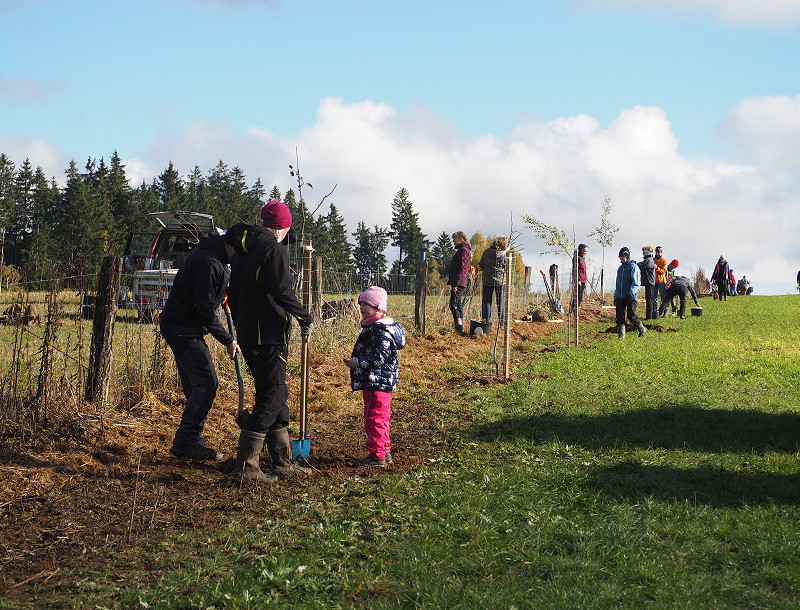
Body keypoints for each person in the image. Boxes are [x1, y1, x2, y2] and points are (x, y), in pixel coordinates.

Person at [223, 200, 314, 483]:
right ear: (282, 227)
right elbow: (282, 292)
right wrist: (304, 317)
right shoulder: (273, 250)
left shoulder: (240, 252)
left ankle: (282, 461)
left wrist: (241, 328)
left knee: (274, 393)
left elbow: (233, 295)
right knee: (273, 394)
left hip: (249, 334)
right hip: (270, 335)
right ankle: (248, 466)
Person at [159, 231, 240, 460]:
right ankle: (186, 441)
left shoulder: (213, 255)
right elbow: (205, 312)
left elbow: (210, 290)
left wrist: (224, 290)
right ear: (229, 245)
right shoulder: (210, 262)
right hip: (183, 327)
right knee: (206, 383)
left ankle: (191, 439)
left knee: (196, 386)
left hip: (179, 324)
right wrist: (228, 339)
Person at [344, 286, 407, 467]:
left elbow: (381, 356)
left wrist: (357, 362)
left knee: (374, 418)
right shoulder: (380, 326)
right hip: (380, 381)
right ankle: (384, 451)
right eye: (360, 304)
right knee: (381, 417)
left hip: (375, 381)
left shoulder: (379, 329)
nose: (361, 307)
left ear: (378, 308)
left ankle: (377, 455)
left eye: (365, 304)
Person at [614, 247, 646, 339]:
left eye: (622, 256)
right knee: (619, 316)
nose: (620, 258)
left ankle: (642, 329)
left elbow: (636, 282)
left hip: (630, 296)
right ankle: (621, 335)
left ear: (627, 256)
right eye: (620, 257)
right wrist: (616, 296)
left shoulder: (633, 267)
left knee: (631, 316)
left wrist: (631, 293)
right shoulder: (620, 268)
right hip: (620, 296)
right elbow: (618, 283)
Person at [478, 235, 509, 326]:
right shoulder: (504, 255)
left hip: (487, 281)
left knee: (487, 302)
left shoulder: (486, 252)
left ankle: (486, 322)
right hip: (500, 282)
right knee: (500, 302)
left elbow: (481, 265)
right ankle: (502, 324)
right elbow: (507, 267)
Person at [447, 231, 472, 334]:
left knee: (453, 304)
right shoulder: (464, 250)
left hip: (459, 282)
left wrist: (456, 284)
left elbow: (462, 269)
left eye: (455, 238)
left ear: (461, 238)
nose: (453, 240)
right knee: (457, 304)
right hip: (460, 281)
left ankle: (459, 327)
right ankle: (460, 327)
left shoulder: (463, 251)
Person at [638, 246, 656, 319]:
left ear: (647, 253)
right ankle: (651, 315)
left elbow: (641, 265)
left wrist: (635, 264)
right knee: (650, 299)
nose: (643, 254)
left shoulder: (648, 260)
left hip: (649, 282)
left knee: (649, 300)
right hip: (649, 282)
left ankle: (649, 316)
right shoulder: (649, 259)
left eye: (644, 252)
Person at [571, 243, 588, 311]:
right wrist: (578, 280)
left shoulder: (583, 258)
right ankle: (572, 311)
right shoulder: (576, 258)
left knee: (580, 297)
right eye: (584, 250)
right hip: (579, 280)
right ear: (581, 250)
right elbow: (575, 270)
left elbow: (584, 270)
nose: (585, 252)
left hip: (583, 280)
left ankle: (576, 310)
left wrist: (585, 282)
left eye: (586, 251)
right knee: (577, 297)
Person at [653, 246, 668, 316]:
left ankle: (666, 312)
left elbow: (663, 271)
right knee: (654, 297)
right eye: (656, 252)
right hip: (653, 281)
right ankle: (655, 312)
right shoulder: (653, 259)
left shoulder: (664, 261)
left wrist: (657, 268)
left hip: (661, 281)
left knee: (663, 297)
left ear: (661, 252)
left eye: (659, 252)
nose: (657, 253)